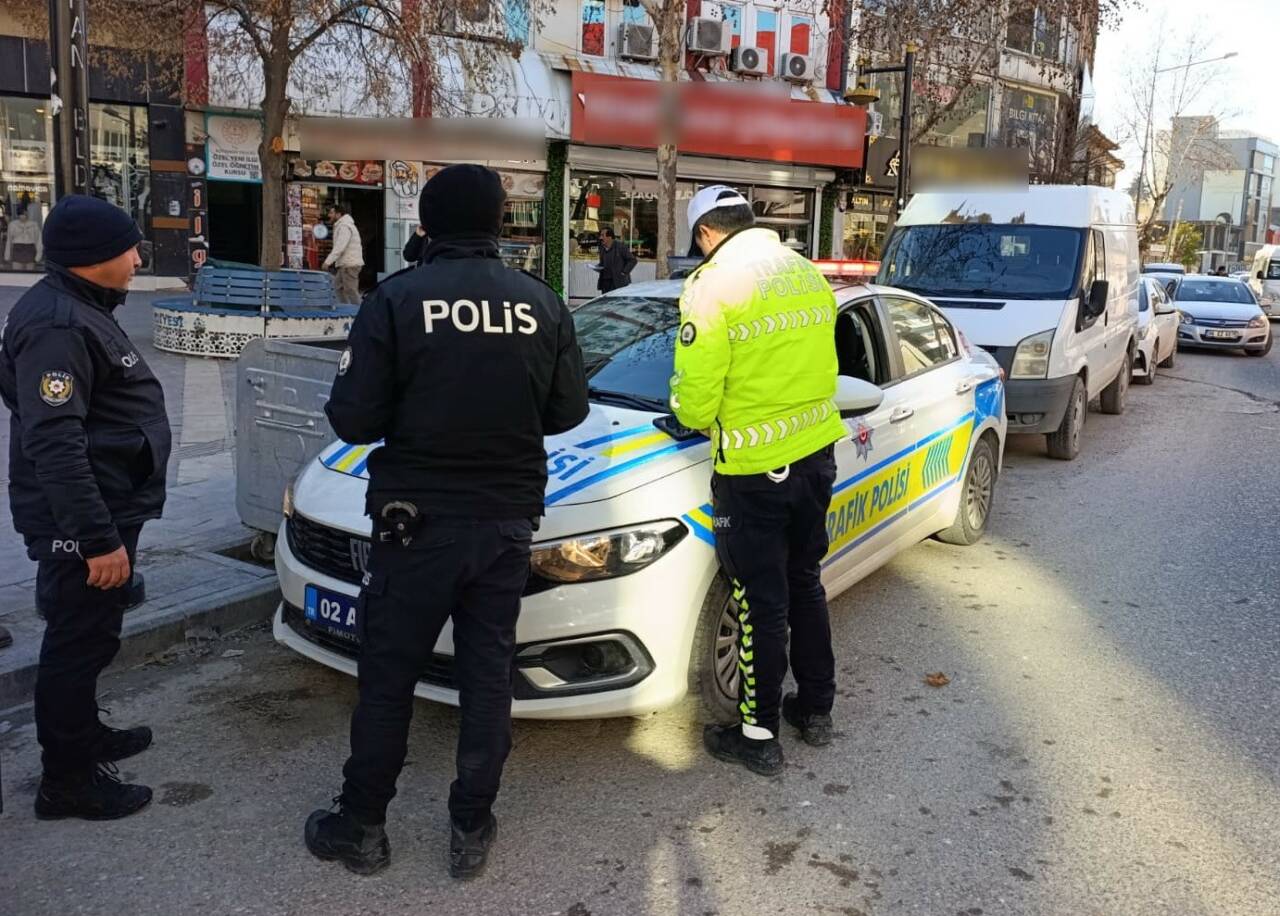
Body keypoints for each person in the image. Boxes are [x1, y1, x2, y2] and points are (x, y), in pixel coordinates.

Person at [305, 164, 589, 879]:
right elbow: (569, 412)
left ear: (426, 225)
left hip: (416, 524)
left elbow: (353, 419)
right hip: (504, 524)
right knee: (487, 674)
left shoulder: (398, 299)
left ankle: (363, 824)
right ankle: (470, 828)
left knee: (389, 675)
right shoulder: (540, 302)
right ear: (500, 223)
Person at [0, 194, 170, 819]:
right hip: (83, 521)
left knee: (94, 636)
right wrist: (97, 539)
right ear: (93, 257)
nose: (135, 257)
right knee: (75, 642)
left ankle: (82, 736)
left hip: (104, 506)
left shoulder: (80, 307)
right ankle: (67, 780)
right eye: (128, 248)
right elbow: (54, 441)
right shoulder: (59, 326)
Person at [669, 186, 847, 777]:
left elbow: (695, 404)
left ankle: (759, 734)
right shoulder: (807, 273)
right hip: (816, 455)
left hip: (752, 472)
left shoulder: (712, 285)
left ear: (705, 235)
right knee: (806, 584)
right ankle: (816, 711)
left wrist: (685, 411)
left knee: (759, 604)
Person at [323, 202, 364, 304]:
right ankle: (346, 310)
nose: (329, 215)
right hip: (346, 264)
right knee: (338, 288)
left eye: (331, 213)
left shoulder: (344, 226)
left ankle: (358, 313)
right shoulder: (342, 225)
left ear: (338, 214)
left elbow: (340, 247)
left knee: (350, 290)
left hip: (350, 264)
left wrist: (327, 262)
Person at [596, 227, 637, 293]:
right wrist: (597, 267)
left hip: (618, 282)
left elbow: (632, 260)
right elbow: (603, 263)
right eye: (600, 235)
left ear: (609, 237)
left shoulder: (620, 246)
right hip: (605, 282)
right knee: (606, 302)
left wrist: (624, 272)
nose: (600, 238)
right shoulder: (602, 248)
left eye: (602, 235)